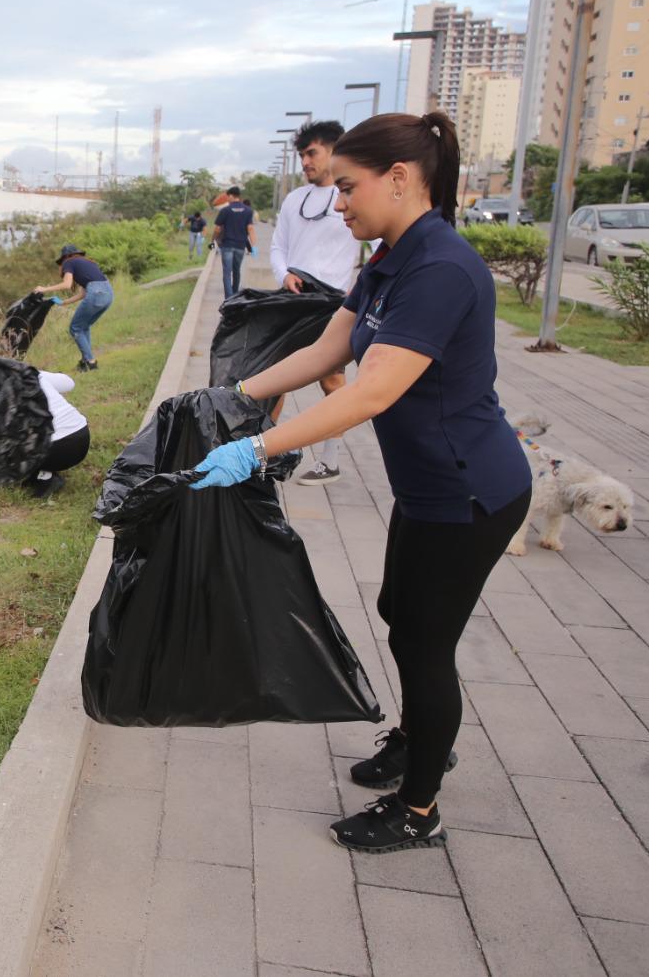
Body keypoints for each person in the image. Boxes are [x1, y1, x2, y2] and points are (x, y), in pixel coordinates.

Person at [189, 112, 532, 855]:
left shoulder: (440, 269)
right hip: (428, 486)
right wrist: (239, 396)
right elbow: (330, 347)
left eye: (348, 186)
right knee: (397, 611)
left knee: (424, 641)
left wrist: (258, 449)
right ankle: (416, 741)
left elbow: (370, 391)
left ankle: (419, 809)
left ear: (401, 180)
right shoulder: (392, 255)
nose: (337, 201)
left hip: (470, 491)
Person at [270, 119, 366, 485]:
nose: (305, 161)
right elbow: (278, 245)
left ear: (334, 152)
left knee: (332, 382)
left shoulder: (353, 196)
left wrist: (359, 294)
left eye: (312, 153)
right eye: (302, 155)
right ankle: (267, 454)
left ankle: (331, 460)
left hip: (333, 305)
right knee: (275, 376)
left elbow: (378, 249)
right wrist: (284, 276)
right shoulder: (295, 199)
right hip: (292, 298)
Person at [35, 243, 114, 371]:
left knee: (75, 328)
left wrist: (45, 289)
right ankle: (85, 361)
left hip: (96, 293)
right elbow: (83, 293)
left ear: (65, 257)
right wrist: (64, 302)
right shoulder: (88, 263)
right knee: (83, 326)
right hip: (108, 295)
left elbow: (67, 284)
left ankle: (91, 362)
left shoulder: (69, 262)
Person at [27, 370, 90, 499]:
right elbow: (69, 383)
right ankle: (41, 472)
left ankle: (46, 478)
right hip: (82, 436)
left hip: (56, 448)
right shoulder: (31, 372)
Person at [213, 187, 255, 299]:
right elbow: (250, 228)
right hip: (240, 246)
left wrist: (213, 240)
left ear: (231, 195)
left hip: (227, 246)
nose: (227, 199)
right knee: (236, 271)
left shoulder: (225, 210)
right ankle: (235, 296)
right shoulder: (248, 210)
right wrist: (253, 246)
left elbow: (217, 229)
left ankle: (228, 298)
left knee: (227, 273)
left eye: (228, 196)